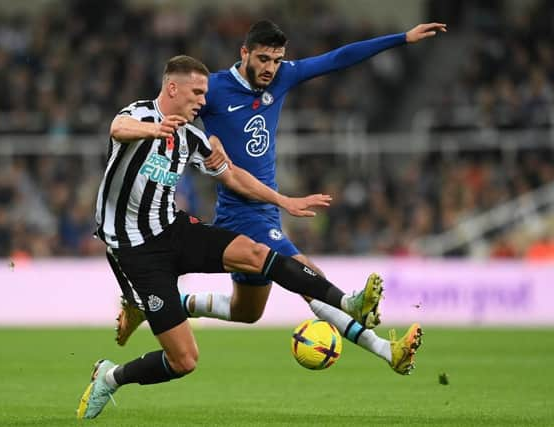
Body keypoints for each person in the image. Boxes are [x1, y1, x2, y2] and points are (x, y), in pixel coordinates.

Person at [77, 55, 404, 419]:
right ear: (173, 88)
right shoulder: (141, 116)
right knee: (184, 360)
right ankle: (110, 376)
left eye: (205, 94)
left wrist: (284, 201)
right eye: (197, 93)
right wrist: (152, 131)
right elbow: (117, 127)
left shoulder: (192, 137)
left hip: (174, 230)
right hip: (136, 252)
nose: (204, 101)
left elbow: (232, 176)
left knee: (255, 252)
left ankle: (346, 302)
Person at [114, 20, 441, 374]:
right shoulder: (216, 88)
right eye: (264, 59)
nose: (271, 68)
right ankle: (384, 348)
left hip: (267, 207)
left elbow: (338, 58)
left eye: (277, 59)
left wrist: (402, 39)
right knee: (309, 280)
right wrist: (210, 142)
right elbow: (177, 113)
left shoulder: (284, 75)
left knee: (248, 312)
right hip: (241, 211)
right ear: (245, 53)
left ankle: (154, 304)